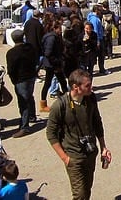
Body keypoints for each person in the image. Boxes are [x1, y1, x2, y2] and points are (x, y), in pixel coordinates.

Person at [46, 69, 112, 200]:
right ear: (75, 87)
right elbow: (50, 133)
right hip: (73, 156)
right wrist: (65, 158)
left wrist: (104, 147)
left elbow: (97, 122)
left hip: (90, 152)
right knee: (79, 195)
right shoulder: (60, 105)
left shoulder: (91, 99)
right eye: (87, 85)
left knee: (86, 190)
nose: (91, 88)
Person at [6, 29, 38, 139]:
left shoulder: (12, 53)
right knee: (29, 96)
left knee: (23, 102)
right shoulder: (30, 48)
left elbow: (11, 69)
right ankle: (32, 116)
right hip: (31, 76)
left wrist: (13, 79)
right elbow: (36, 60)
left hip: (21, 79)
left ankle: (24, 126)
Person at [39, 21, 68, 112]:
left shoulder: (54, 37)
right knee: (48, 83)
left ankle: (67, 101)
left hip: (54, 64)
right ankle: (43, 105)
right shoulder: (51, 38)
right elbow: (48, 53)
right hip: (52, 65)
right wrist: (56, 62)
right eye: (59, 29)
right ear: (55, 29)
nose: (61, 30)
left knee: (62, 82)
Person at [87, 5, 109, 76]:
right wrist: (98, 41)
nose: (101, 12)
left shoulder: (92, 18)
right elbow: (95, 31)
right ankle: (101, 69)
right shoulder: (95, 19)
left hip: (98, 38)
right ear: (96, 10)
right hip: (98, 39)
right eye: (100, 10)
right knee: (100, 55)